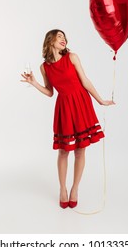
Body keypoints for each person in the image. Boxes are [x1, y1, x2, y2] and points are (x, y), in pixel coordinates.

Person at [21, 29, 115, 209]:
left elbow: (85, 81)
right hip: (64, 107)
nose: (63, 40)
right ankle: (62, 189)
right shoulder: (44, 67)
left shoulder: (72, 57)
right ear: (50, 41)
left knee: (80, 149)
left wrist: (101, 100)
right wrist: (33, 83)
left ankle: (75, 189)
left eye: (64, 37)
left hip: (80, 103)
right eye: (59, 37)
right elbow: (50, 92)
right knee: (64, 151)